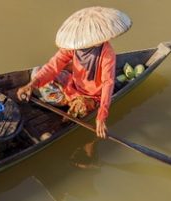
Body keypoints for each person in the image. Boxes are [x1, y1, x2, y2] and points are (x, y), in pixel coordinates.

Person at [16, 7, 132, 139]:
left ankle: (67, 115)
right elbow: (53, 66)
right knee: (37, 72)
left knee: (81, 107)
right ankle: (66, 101)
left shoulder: (107, 53)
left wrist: (101, 115)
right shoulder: (74, 47)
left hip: (91, 97)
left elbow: (108, 83)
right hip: (72, 86)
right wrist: (31, 85)